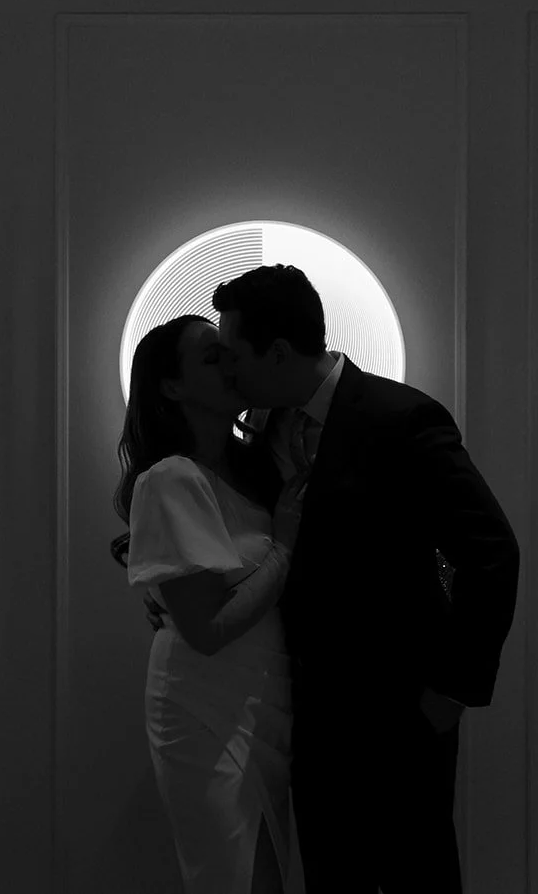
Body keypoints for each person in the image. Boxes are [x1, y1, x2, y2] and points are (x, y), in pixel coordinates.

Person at [140, 264, 520, 893]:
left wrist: (451, 690)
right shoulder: (259, 436)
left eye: (233, 354)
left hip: (401, 714)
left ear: (279, 353)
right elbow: (211, 533)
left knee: (417, 878)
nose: (229, 370)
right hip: (304, 721)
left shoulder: (401, 419)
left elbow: (491, 552)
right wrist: (169, 596)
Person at [109, 311, 310, 894]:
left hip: (267, 699)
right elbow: (208, 628)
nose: (229, 363)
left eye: (228, 351)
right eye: (209, 357)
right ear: (171, 386)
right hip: (206, 705)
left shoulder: (255, 470)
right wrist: (286, 548)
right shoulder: (171, 478)